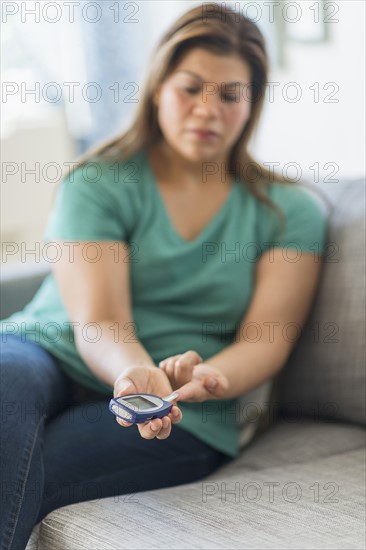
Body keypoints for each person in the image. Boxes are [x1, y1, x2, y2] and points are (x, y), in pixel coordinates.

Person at [0, 4, 329, 549]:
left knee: (32, 465)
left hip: (180, 408)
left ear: (253, 104)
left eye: (229, 94)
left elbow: (265, 340)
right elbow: (100, 322)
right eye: (190, 88)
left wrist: (210, 378)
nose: (208, 109)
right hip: (52, 348)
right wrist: (134, 371)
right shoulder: (99, 182)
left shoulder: (289, 211)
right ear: (157, 89)